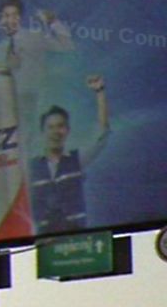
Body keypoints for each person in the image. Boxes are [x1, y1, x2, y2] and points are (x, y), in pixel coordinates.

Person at [0, 0, 75, 151]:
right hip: (13, 104)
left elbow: (67, 46)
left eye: (15, 15)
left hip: (39, 97)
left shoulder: (34, 37)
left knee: (40, 139)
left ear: (20, 18)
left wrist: (54, 23)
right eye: (6, 16)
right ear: (0, 20)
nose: (11, 20)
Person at [29, 75, 110, 235]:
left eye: (60, 126)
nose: (56, 132)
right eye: (50, 127)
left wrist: (100, 92)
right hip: (44, 239)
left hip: (77, 236)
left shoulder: (76, 159)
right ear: (42, 132)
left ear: (67, 130)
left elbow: (102, 135)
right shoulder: (31, 168)